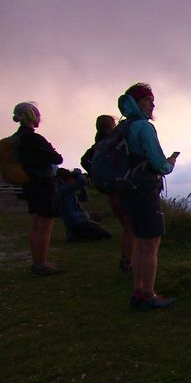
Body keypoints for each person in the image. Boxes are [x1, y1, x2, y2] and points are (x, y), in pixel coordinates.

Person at [118, 83, 177, 310]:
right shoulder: (143, 127)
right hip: (144, 190)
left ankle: (138, 292)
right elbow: (158, 163)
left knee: (140, 242)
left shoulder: (123, 127)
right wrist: (169, 163)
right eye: (148, 100)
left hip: (127, 191)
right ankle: (148, 294)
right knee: (151, 244)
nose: (152, 104)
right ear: (136, 102)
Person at [13, 102, 64, 276]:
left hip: (29, 184)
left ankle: (37, 261)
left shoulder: (16, 138)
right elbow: (57, 159)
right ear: (31, 115)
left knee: (35, 224)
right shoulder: (33, 138)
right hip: (43, 183)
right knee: (44, 227)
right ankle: (41, 263)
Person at [81, 115, 136, 273]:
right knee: (130, 227)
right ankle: (128, 262)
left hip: (108, 190)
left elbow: (84, 160)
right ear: (111, 126)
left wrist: (95, 176)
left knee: (126, 226)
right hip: (121, 188)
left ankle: (127, 259)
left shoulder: (97, 145)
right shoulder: (115, 142)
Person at [56, 167, 112, 242]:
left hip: (80, 220)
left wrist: (81, 187)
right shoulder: (63, 189)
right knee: (106, 235)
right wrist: (78, 173)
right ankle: (76, 235)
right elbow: (82, 182)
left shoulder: (68, 190)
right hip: (77, 222)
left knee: (97, 221)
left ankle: (74, 234)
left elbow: (84, 198)